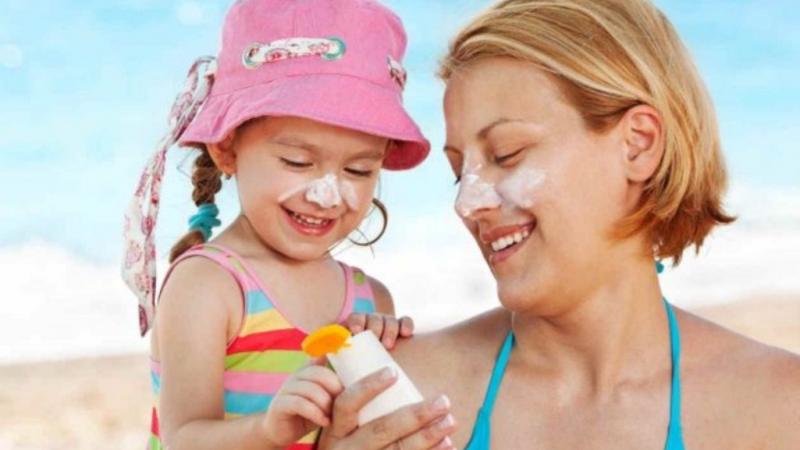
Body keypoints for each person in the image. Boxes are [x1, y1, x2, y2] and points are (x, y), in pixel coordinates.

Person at [318, 1, 800, 449]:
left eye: (507, 154)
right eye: (459, 172)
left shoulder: (779, 408)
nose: (467, 203)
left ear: (638, 144)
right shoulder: (400, 392)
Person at [120, 1, 435, 448]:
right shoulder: (208, 285)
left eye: (359, 170)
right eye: (298, 161)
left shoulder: (372, 300)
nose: (327, 194)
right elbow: (183, 438)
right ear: (226, 148)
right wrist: (268, 432)